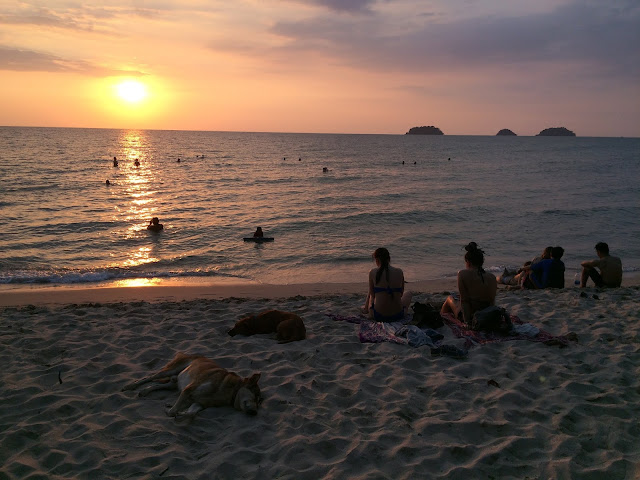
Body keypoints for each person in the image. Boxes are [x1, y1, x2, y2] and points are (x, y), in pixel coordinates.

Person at [441, 242, 497, 325]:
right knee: (458, 298)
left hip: (472, 316)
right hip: (487, 315)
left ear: (468, 262)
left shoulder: (462, 274)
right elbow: (492, 302)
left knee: (450, 298)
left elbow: (465, 301)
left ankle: (442, 317)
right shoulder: (492, 277)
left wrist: (467, 322)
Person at [361, 248, 412, 321]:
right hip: (398, 315)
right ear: (389, 259)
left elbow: (372, 295)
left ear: (376, 259)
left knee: (371, 291)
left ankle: (365, 309)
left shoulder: (373, 272)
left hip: (378, 315)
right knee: (409, 293)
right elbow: (401, 294)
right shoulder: (399, 271)